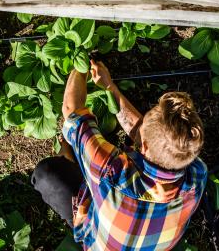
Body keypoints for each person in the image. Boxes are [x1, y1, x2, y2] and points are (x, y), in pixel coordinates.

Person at [31, 60, 207, 251]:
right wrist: (109, 86)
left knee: (48, 173)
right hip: (150, 243)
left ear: (144, 146)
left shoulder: (112, 172)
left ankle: (70, 155)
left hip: (98, 243)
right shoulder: (197, 175)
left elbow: (71, 110)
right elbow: (148, 138)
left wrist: (80, 62)